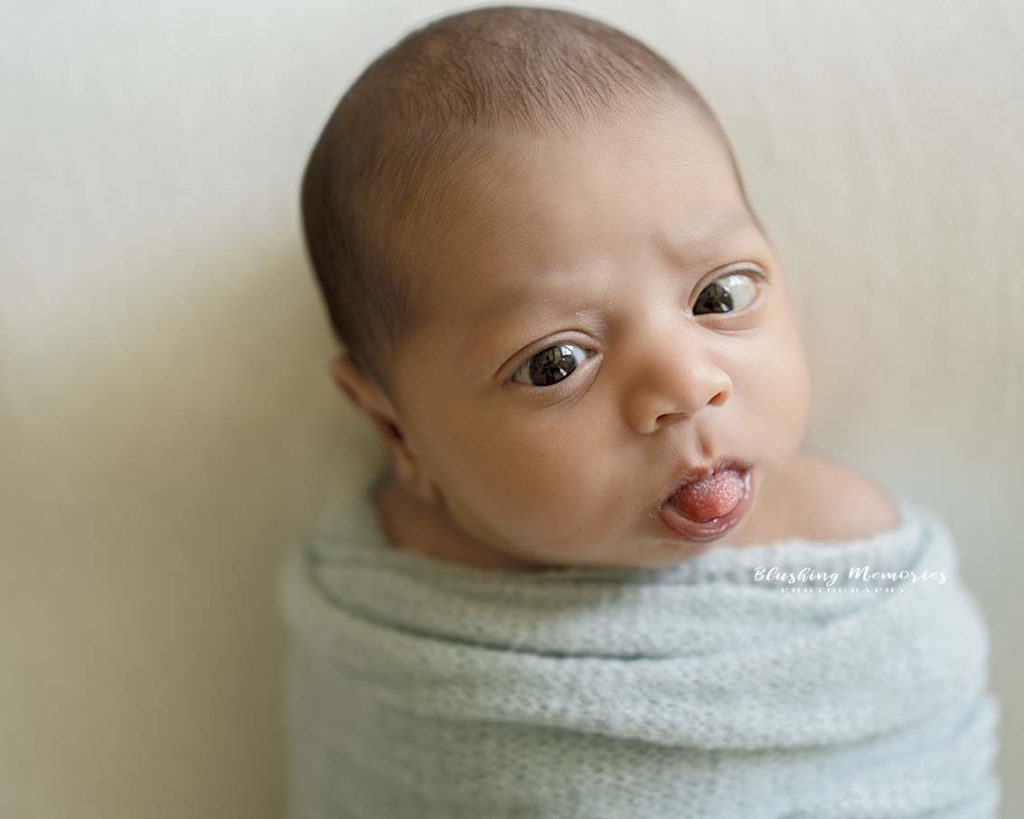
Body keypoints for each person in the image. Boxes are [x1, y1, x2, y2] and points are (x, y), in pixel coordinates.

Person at [283, 6, 1000, 817]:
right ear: (394, 430)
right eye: (556, 362)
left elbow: (926, 760)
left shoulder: (843, 552)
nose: (688, 386)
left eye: (719, 295)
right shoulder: (394, 613)